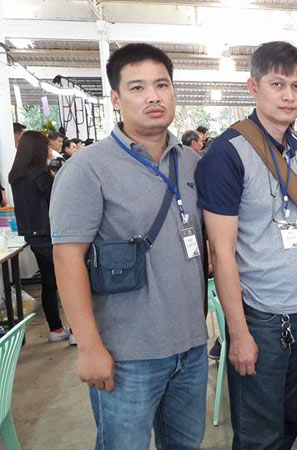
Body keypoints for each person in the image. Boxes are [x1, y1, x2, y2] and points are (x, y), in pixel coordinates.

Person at [50, 43, 208, 449]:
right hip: (126, 355)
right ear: (116, 99)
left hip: (191, 347)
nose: (153, 96)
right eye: (138, 88)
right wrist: (89, 347)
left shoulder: (191, 163)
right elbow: (67, 259)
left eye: (162, 85)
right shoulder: (87, 169)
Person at [196, 41, 297, 449]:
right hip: (261, 317)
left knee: (288, 423)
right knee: (259, 434)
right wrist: (238, 333)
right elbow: (221, 253)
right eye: (278, 84)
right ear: (253, 87)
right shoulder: (227, 154)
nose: (289, 95)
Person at [10, 131, 72, 343]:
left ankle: (56, 329)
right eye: (45, 146)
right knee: (70, 280)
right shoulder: (39, 175)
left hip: (32, 235)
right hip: (49, 234)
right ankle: (76, 331)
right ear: (37, 149)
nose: (49, 149)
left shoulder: (16, 175)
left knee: (50, 281)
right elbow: (58, 199)